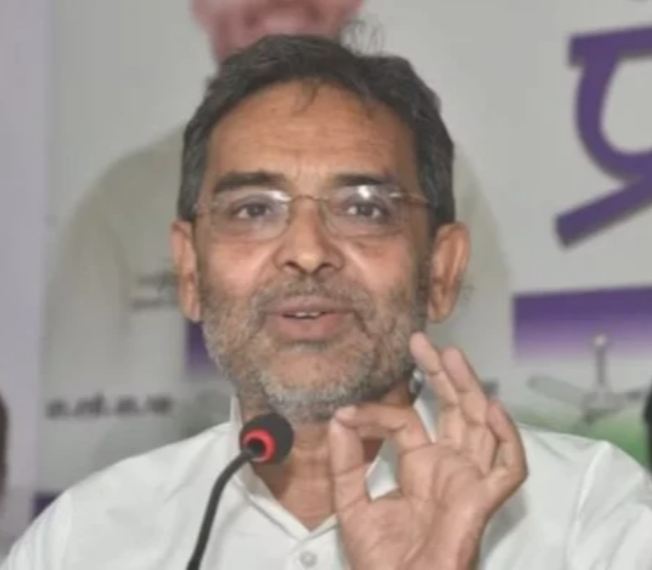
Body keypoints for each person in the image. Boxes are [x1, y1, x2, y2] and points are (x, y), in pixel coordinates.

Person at [9, 36, 652, 569]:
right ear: (190, 271)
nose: (307, 251)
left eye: (364, 208)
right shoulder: (83, 540)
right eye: (253, 209)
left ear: (441, 270)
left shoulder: (588, 518)